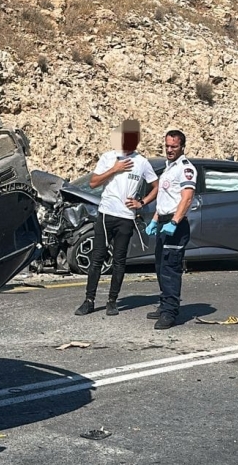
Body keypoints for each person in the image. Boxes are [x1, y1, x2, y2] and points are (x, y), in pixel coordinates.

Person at [75, 120, 158, 317]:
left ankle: (112, 301)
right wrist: (114, 169)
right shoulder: (108, 157)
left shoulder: (142, 162)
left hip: (126, 217)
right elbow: (93, 183)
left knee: (119, 260)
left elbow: (157, 186)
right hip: (106, 214)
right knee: (98, 258)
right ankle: (89, 300)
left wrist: (142, 202)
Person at [134, 129, 197, 330]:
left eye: (174, 147)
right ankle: (164, 305)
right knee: (161, 267)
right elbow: (164, 200)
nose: (169, 150)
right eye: (167, 146)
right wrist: (155, 220)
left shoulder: (185, 169)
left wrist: (175, 222)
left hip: (175, 225)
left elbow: (187, 198)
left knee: (170, 269)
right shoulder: (169, 168)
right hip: (163, 222)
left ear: (182, 147)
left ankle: (170, 312)